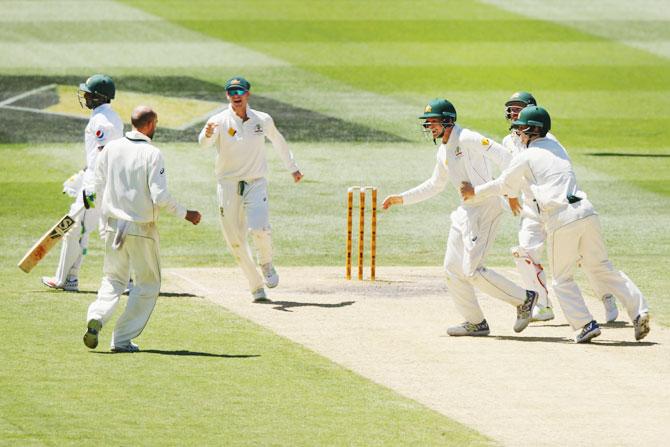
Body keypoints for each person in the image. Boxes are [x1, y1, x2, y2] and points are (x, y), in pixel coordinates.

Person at [460, 106, 650, 343]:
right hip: (587, 211)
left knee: (561, 279)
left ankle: (584, 324)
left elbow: (504, 186)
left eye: (521, 130)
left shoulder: (526, 156)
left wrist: (474, 192)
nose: (518, 135)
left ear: (530, 130)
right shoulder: (557, 147)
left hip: (562, 218)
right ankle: (639, 310)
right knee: (602, 267)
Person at [382, 98, 539, 337]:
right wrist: (400, 198)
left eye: (432, 122)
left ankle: (524, 299)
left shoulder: (468, 138)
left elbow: (509, 159)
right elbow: (435, 185)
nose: (429, 127)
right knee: (452, 269)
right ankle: (475, 322)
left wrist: (511, 192)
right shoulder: (442, 150)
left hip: (486, 207)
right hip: (465, 211)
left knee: (472, 270)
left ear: (447, 120)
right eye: (427, 124)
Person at [83, 106, 201, 352]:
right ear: (150, 124)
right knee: (147, 284)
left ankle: (97, 315)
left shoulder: (111, 148)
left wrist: (104, 222)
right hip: (140, 229)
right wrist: (186, 213)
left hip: (114, 227)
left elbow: (97, 184)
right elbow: (160, 196)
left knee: (113, 279)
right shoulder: (152, 153)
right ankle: (122, 339)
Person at [502, 92, 619, 323]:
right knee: (523, 251)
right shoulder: (508, 142)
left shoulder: (548, 140)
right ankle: (542, 304)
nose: (513, 113)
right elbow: (509, 175)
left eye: (518, 108)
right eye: (511, 109)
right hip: (532, 212)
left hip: (558, 208)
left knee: (583, 257)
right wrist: (510, 195)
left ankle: (606, 297)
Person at [198, 76, 303, 302]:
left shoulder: (262, 119)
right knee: (234, 240)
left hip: (255, 182)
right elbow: (203, 144)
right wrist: (206, 135)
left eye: (240, 91)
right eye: (231, 92)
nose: (236, 95)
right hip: (227, 185)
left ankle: (266, 263)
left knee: (260, 228)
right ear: (227, 95)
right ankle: (255, 285)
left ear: (248, 94)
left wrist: (292, 168)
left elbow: (278, 141)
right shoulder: (219, 120)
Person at [42, 74, 123, 292]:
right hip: (97, 182)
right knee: (82, 230)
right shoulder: (107, 116)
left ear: (98, 97)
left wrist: (91, 186)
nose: (85, 96)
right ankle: (71, 279)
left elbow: (105, 154)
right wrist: (82, 174)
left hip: (96, 186)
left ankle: (64, 279)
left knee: (74, 229)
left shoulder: (102, 121)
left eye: (88, 93)